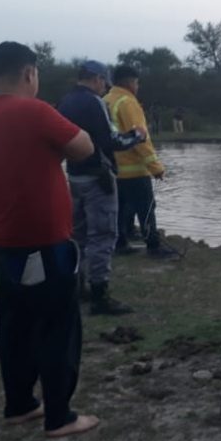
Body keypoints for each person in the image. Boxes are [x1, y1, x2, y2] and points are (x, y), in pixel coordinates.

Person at [0, 41, 99, 438]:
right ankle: (59, 416)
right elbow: (84, 146)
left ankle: (20, 404)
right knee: (57, 324)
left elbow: (21, 159)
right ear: (29, 73)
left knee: (15, 323)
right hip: (41, 239)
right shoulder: (34, 110)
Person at [58, 60, 146, 315]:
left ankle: (78, 286)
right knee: (104, 235)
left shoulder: (66, 101)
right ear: (96, 78)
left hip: (73, 177)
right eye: (102, 82)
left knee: (78, 235)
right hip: (99, 178)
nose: (104, 87)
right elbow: (111, 140)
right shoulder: (94, 102)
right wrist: (137, 135)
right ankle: (100, 295)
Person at [104, 65, 179, 259]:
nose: (138, 87)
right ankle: (153, 245)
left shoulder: (105, 100)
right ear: (130, 83)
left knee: (120, 208)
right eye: (137, 83)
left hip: (113, 169)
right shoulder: (128, 102)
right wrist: (156, 167)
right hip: (134, 170)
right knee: (146, 208)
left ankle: (120, 242)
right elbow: (141, 138)